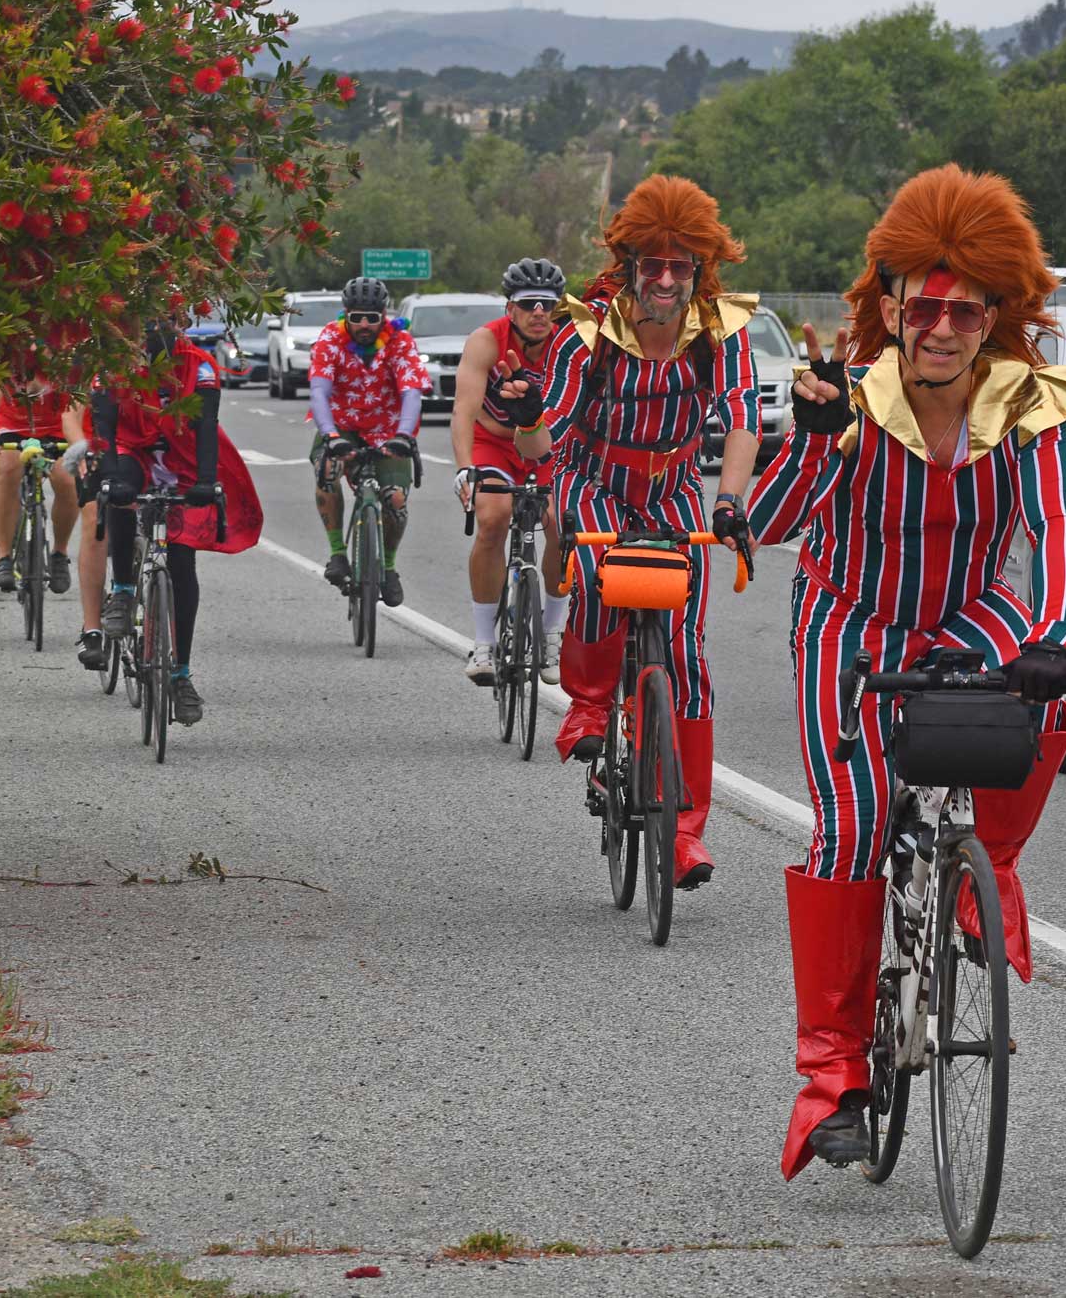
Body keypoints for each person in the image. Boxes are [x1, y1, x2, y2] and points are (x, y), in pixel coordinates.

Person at [745, 165, 1066, 1176]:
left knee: (1050, 705)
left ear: (997, 316)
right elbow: (767, 528)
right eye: (924, 305)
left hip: (968, 620)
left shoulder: (1026, 408)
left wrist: (1051, 635)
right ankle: (832, 1083)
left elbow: (1055, 531)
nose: (941, 327)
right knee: (851, 823)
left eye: (966, 309)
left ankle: (984, 879)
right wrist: (809, 447)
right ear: (890, 306)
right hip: (849, 624)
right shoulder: (852, 399)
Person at [511, 176, 760, 890]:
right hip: (594, 479)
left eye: (680, 265)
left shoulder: (721, 332)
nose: (664, 278)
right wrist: (526, 416)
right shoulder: (586, 332)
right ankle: (588, 700)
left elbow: (742, 417)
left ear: (699, 271)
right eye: (651, 263)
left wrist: (730, 500)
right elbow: (541, 444)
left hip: (675, 486)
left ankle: (683, 832)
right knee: (594, 571)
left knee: (687, 652)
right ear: (628, 267)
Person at [74, 314, 264, 720]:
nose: (156, 331)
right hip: (129, 447)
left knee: (182, 558)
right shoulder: (115, 363)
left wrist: (208, 484)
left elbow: (208, 425)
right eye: (148, 323)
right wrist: (109, 476)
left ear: (180, 327)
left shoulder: (200, 366)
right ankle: (123, 591)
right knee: (121, 492)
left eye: (167, 323)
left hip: (184, 455)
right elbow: (104, 427)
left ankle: (180, 675)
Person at [451, 258, 570, 687]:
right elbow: (464, 411)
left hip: (551, 445)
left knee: (561, 522)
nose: (539, 312)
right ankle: (484, 642)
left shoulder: (570, 344)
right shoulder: (486, 342)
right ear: (510, 308)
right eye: (528, 304)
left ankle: (552, 632)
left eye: (547, 304)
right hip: (494, 443)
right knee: (493, 518)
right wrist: (465, 468)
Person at [308, 276, 428, 607]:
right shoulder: (331, 338)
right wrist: (331, 436)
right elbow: (319, 390)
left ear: (383, 316)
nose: (363, 324)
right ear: (345, 315)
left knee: (396, 500)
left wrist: (404, 434)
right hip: (341, 424)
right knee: (327, 468)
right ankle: (337, 553)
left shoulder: (400, 340)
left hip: (388, 427)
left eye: (372, 318)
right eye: (356, 317)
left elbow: (411, 390)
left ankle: (388, 568)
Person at [0, 376, 79, 594]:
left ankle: (59, 555)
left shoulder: (65, 357)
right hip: (12, 428)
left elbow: (80, 401)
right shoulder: (10, 355)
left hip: (58, 429)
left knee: (67, 479)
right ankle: (3, 556)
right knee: (7, 467)